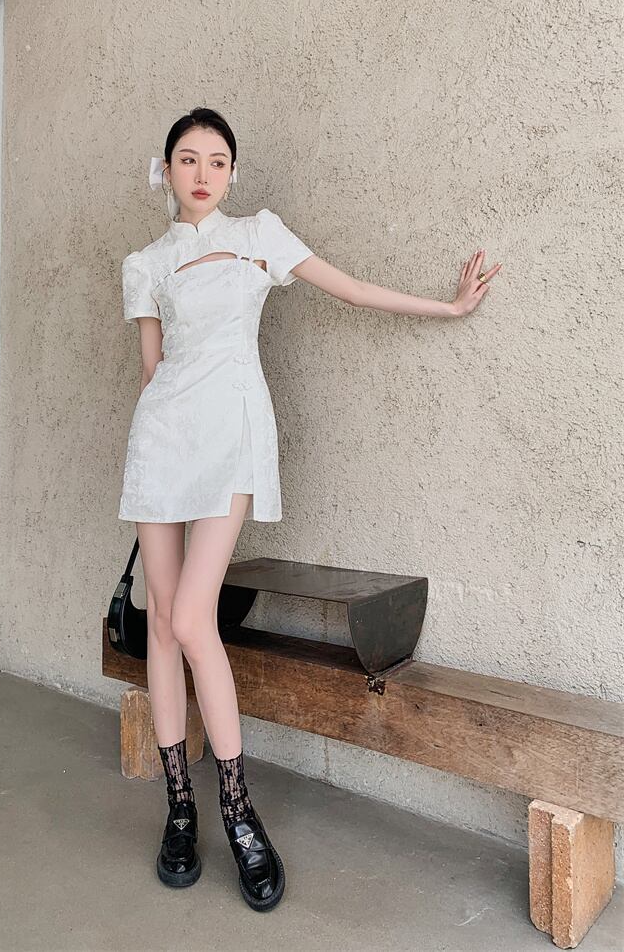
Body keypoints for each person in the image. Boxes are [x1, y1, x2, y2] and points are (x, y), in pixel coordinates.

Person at [118, 107, 502, 911]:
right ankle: (181, 808)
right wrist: (154, 439)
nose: (201, 173)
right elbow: (152, 371)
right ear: (167, 169)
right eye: (187, 159)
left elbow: (351, 289)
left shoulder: (259, 233)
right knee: (161, 624)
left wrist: (449, 307)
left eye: (215, 160)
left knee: (191, 618)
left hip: (232, 440)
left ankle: (238, 810)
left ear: (232, 172)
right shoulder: (145, 262)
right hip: (162, 443)